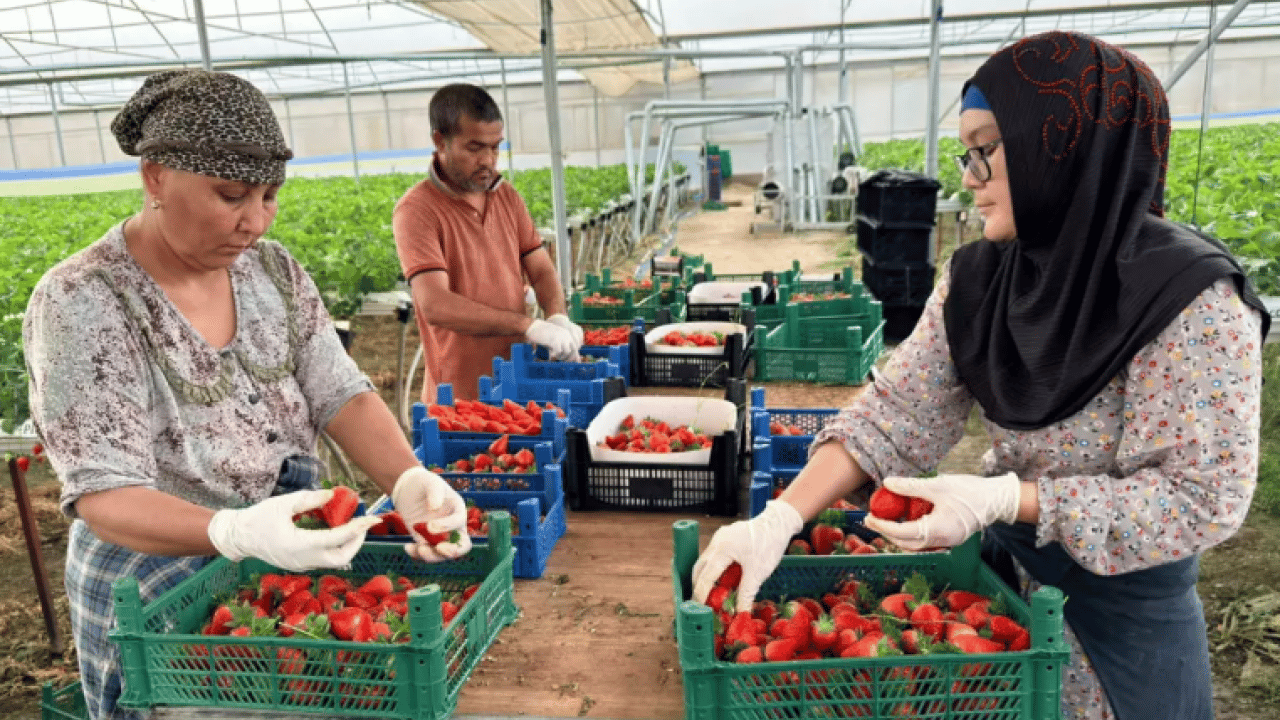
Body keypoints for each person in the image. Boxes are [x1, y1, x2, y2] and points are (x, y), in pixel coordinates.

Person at [693, 31, 1268, 720]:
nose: (968, 176)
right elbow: (896, 410)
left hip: (1122, 627)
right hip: (1000, 606)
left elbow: (1199, 499)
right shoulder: (980, 279)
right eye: (965, 152)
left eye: (987, 149)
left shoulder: (1188, 299)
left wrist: (1011, 501)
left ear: (1064, 146)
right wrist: (781, 517)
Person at [22, 70, 471, 720]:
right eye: (232, 195)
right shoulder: (85, 301)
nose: (254, 221)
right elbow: (102, 494)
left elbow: (337, 392)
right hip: (153, 599)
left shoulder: (273, 273)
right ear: (155, 177)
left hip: (275, 559)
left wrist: (407, 477)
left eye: (269, 195)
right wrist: (228, 530)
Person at [393, 82, 583, 404]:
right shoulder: (418, 210)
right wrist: (527, 325)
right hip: (459, 399)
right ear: (440, 141)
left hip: (517, 382)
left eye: (495, 147)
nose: (489, 161)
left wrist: (556, 315)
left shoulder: (506, 196)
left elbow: (539, 267)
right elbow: (435, 304)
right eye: (475, 148)